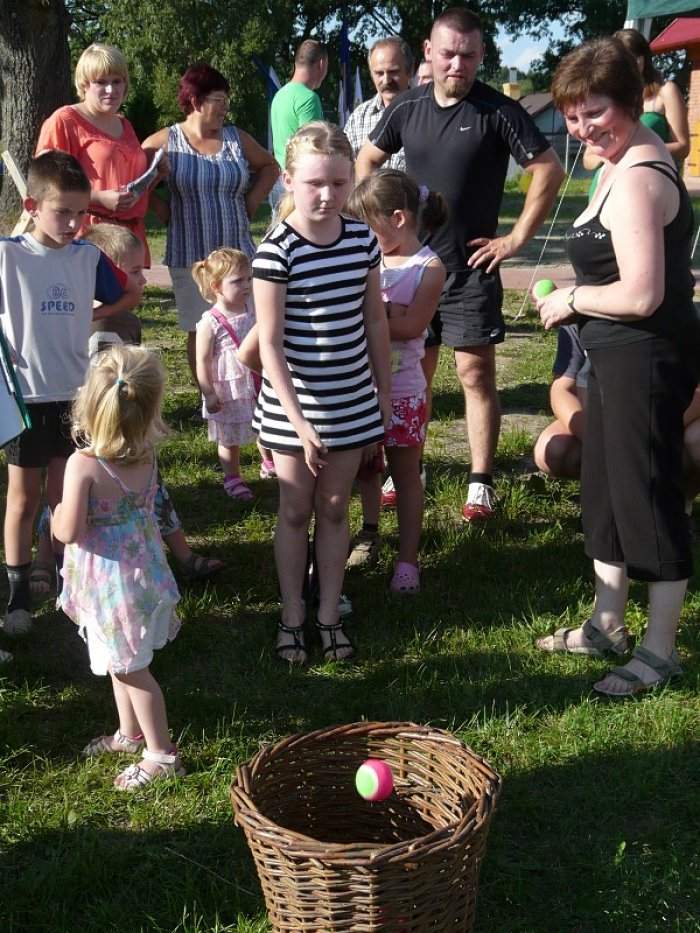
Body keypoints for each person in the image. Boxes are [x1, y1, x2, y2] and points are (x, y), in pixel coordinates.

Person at [534, 37, 699, 697]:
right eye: (573, 115)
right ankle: (607, 624)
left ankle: (660, 651)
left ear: (631, 101)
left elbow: (642, 294)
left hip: (644, 357)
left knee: (645, 495)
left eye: (595, 111)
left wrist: (573, 299)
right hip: (612, 356)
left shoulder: (637, 178)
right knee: (605, 489)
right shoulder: (616, 160)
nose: (582, 128)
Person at [357, 7, 564, 522]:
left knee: (474, 373)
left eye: (468, 55)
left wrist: (515, 238)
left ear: (481, 55)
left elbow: (548, 169)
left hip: (471, 267)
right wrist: (371, 226)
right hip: (412, 268)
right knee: (414, 374)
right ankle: (409, 469)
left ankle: (480, 482)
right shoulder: (407, 107)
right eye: (448, 54)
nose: (457, 65)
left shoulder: (499, 110)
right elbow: (367, 160)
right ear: (428, 52)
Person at [253, 121, 391, 664]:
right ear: (289, 181)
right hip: (293, 410)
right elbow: (269, 346)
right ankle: (292, 613)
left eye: (339, 182)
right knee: (295, 510)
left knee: (335, 509)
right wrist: (301, 423)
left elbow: (375, 321)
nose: (328, 195)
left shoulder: (362, 240)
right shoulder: (276, 251)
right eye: (315, 183)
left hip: (352, 402)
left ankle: (329, 613)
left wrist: (382, 394)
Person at [0, 151, 134, 637]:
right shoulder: (8, 256)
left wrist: (90, 315)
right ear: (32, 206)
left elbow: (129, 294)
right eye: (63, 212)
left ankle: (64, 576)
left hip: (76, 396)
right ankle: (17, 591)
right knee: (23, 497)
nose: (75, 224)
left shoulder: (87, 257)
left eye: (81, 213)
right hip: (26, 398)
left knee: (63, 494)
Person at [53, 346, 184, 790]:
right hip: (141, 575)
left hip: (111, 587)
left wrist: (56, 513)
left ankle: (161, 753)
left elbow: (69, 531)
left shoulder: (83, 465)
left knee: (130, 668)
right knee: (119, 658)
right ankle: (129, 733)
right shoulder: (146, 453)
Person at [142, 64, 278, 382]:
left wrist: (251, 202)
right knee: (200, 327)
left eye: (226, 100)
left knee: (250, 322)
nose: (225, 107)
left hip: (237, 252)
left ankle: (252, 388)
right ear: (195, 100)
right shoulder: (165, 141)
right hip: (192, 257)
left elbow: (270, 166)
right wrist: (161, 209)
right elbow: (136, 180)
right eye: (219, 100)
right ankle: (209, 394)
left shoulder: (236, 138)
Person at [347, 170, 446, 592]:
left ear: (399, 219)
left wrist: (372, 315)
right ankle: (368, 533)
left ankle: (407, 560)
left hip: (405, 392)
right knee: (364, 470)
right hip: (358, 388)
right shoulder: (369, 259)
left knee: (405, 477)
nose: (363, 235)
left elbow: (412, 327)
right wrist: (387, 313)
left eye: (368, 226)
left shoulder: (429, 267)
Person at [534, 321, 700, 508]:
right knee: (555, 449)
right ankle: (609, 494)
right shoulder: (578, 314)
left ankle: (681, 498)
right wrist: (594, 436)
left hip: (667, 417)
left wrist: (650, 432)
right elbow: (562, 389)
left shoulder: (681, 314)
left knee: (696, 442)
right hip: (602, 416)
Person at [36, 43, 162, 265]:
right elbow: (45, 187)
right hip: (86, 237)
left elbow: (130, 188)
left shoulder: (125, 125)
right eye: (101, 82)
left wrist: (157, 173)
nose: (111, 90)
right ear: (84, 84)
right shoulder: (65, 121)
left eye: (117, 81)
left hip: (127, 240)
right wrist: (99, 198)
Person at [584, 28, 690, 195]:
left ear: (643, 59)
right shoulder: (610, 98)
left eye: (630, 58)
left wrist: (635, 151)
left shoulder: (665, 91)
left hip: (649, 186)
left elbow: (683, 147)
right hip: (605, 188)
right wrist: (608, 154)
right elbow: (588, 159)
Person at [192, 248, 259, 500]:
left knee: (263, 422)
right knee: (229, 435)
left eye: (249, 278)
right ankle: (232, 477)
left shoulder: (253, 309)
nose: (247, 285)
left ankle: (269, 461)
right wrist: (208, 392)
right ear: (216, 286)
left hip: (257, 378)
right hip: (229, 388)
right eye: (238, 281)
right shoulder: (210, 322)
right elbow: (202, 361)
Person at [269, 40, 328, 208]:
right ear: (322, 64)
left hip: (279, 181)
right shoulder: (308, 98)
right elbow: (313, 147)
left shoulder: (279, 95)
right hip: (300, 184)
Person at [344, 37, 414, 170]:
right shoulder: (359, 118)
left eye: (393, 72)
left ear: (410, 70)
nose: (386, 80)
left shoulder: (425, 112)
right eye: (379, 73)